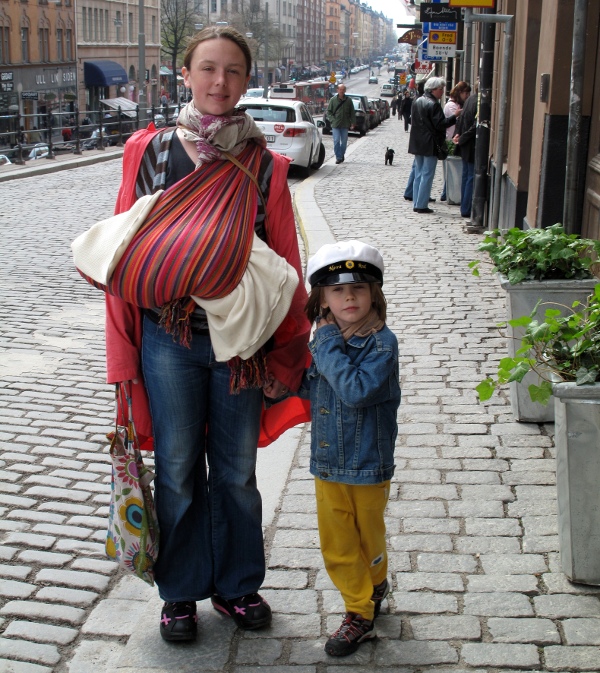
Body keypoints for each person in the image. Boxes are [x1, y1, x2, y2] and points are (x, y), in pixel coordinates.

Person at [104, 26, 311, 643]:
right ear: (187, 74)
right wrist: (123, 358)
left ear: (247, 79)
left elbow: (285, 264)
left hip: (241, 344)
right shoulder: (149, 153)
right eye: (208, 68)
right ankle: (180, 592)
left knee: (237, 471)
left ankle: (238, 585)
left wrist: (286, 355)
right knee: (175, 469)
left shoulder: (264, 165)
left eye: (234, 71)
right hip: (167, 339)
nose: (220, 82)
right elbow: (121, 256)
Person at [299, 240, 401, 657]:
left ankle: (375, 583)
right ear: (323, 299)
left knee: (369, 539)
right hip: (327, 462)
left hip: (366, 462)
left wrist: (324, 344)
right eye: (338, 290)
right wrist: (282, 387)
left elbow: (355, 390)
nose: (349, 297)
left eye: (358, 288)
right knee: (339, 543)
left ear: (373, 294)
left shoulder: (382, 344)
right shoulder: (325, 341)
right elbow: (319, 387)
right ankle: (359, 611)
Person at [408, 77, 459, 214]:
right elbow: (441, 124)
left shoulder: (418, 100)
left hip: (417, 141)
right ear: (432, 89)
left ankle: (417, 202)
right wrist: (455, 116)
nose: (442, 92)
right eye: (440, 89)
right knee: (427, 173)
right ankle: (421, 204)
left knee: (419, 173)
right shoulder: (434, 104)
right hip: (430, 142)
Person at [441, 81, 471, 201]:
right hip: (450, 140)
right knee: (451, 170)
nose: (467, 96)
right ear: (459, 93)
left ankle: (446, 193)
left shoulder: (458, 104)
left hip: (453, 139)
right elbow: (454, 123)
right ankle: (446, 194)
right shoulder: (451, 106)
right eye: (465, 93)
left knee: (452, 170)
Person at [453, 89, 478, 218]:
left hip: (465, 145)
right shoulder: (477, 101)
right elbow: (476, 125)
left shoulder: (469, 100)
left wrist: (457, 134)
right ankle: (466, 208)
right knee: (470, 177)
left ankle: (464, 206)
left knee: (466, 176)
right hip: (471, 145)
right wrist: (461, 137)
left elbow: (460, 120)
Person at [326, 84, 356, 164]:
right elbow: (328, 112)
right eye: (340, 89)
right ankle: (338, 157)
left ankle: (341, 154)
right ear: (337, 90)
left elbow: (352, 112)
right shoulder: (333, 100)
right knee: (336, 140)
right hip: (335, 124)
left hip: (345, 124)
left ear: (345, 91)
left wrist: (353, 123)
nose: (341, 91)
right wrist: (332, 120)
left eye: (343, 90)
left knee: (344, 142)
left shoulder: (348, 100)